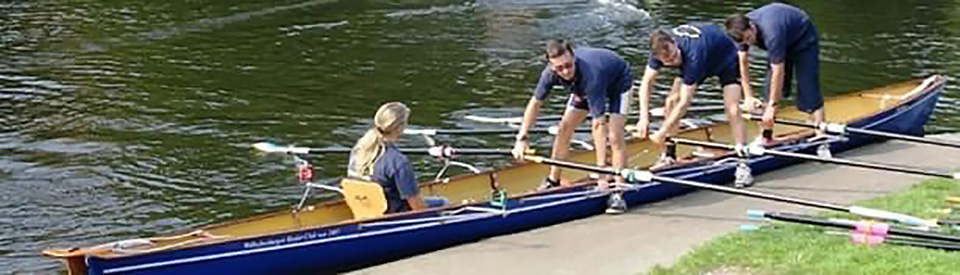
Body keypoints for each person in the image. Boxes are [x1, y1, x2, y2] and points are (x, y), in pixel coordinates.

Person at [511, 40, 633, 214]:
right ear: (552, 67)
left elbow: (598, 125)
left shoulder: (591, 75)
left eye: (568, 66)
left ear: (574, 58)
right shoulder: (549, 75)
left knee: (614, 136)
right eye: (560, 68)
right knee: (563, 129)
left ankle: (618, 192)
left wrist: (601, 174)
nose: (565, 72)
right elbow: (535, 104)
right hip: (583, 87)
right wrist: (521, 138)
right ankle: (553, 180)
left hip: (618, 82)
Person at [635, 24, 752, 185]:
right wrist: (643, 117)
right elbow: (645, 84)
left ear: (674, 43)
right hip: (701, 56)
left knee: (732, 109)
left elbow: (685, 103)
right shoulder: (657, 51)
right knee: (670, 101)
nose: (672, 61)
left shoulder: (693, 55)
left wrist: (662, 131)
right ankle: (669, 155)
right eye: (667, 61)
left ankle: (743, 161)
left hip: (726, 58)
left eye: (674, 56)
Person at [725, 3, 825, 143]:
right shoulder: (738, 32)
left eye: (749, 39)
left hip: (803, 38)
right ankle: (766, 136)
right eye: (744, 41)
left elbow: (779, 70)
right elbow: (743, 62)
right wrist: (748, 96)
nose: (748, 43)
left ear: (752, 27)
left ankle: (820, 132)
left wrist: (773, 106)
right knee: (768, 88)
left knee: (808, 86)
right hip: (781, 35)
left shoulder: (772, 33)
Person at [348, 102, 448, 214]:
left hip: (366, 208)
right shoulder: (398, 161)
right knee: (444, 202)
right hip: (392, 214)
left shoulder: (359, 149)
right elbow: (417, 206)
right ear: (400, 127)